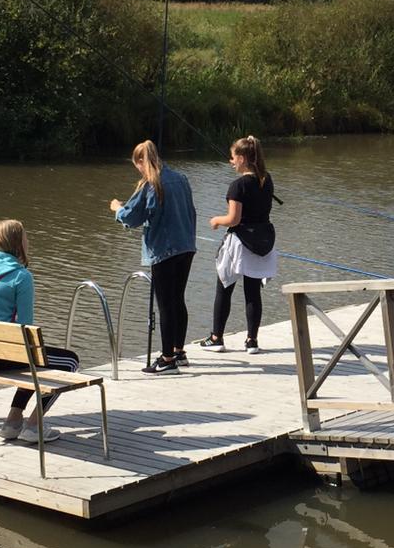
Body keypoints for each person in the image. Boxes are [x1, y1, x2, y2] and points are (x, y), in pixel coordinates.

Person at [0, 219, 82, 445]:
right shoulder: (21, 276)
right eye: (26, 237)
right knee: (69, 362)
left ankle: (13, 421)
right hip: (0, 356)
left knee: (34, 361)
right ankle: (34, 425)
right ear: (19, 242)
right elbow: (26, 327)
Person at [110, 140, 197, 373]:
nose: (138, 170)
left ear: (141, 161)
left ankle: (167, 359)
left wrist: (117, 208)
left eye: (137, 165)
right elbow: (191, 212)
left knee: (165, 304)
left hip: (163, 251)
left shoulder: (151, 184)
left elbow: (132, 217)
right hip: (186, 247)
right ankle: (179, 351)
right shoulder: (181, 179)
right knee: (178, 299)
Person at [200, 135, 277, 353]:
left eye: (233, 157)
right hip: (262, 241)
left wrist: (216, 220)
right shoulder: (267, 179)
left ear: (242, 159)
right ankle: (252, 341)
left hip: (240, 243)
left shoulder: (238, 185)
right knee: (253, 291)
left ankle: (217, 338)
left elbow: (233, 219)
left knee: (224, 287)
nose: (231, 161)